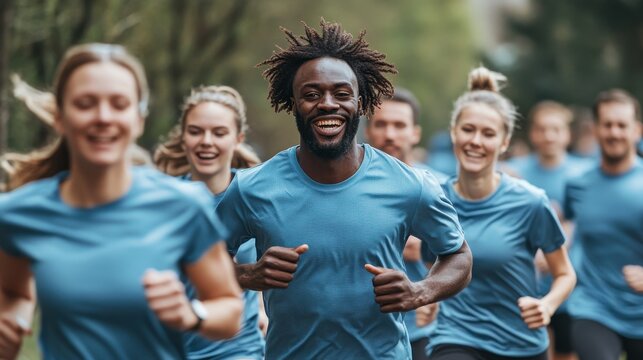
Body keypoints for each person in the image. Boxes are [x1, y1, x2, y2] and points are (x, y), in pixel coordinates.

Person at [215, 19, 472, 359]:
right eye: (311, 94)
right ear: (292, 103)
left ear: (361, 103)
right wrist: (248, 274)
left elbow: (459, 257)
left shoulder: (409, 185)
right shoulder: (252, 188)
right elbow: (202, 258)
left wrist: (419, 292)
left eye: (341, 93)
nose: (327, 104)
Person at [0, 43, 243, 359]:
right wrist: (12, 322)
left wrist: (191, 314)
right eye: (85, 104)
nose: (103, 117)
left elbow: (230, 310)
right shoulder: (21, 214)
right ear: (60, 117)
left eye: (119, 104)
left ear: (139, 119)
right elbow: (12, 292)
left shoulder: (183, 206)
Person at [428, 67, 576, 360]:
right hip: (455, 337)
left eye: (488, 133)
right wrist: (425, 297)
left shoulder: (530, 202)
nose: (476, 141)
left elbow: (565, 274)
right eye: (468, 129)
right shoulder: (433, 200)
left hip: (520, 344)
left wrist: (547, 305)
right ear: (453, 132)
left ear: (504, 142)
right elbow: (430, 267)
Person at [155, 85, 266, 359]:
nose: (206, 141)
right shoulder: (162, 201)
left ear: (237, 138)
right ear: (183, 138)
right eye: (195, 131)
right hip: (176, 348)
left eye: (219, 133)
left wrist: (263, 308)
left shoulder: (258, 196)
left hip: (240, 349)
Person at [507, 101, 592, 360]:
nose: (549, 136)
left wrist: (559, 244)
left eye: (555, 129)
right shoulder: (515, 172)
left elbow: (584, 219)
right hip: (525, 280)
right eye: (542, 129)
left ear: (567, 134)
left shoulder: (583, 174)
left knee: (566, 350)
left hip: (568, 280)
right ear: (532, 134)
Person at [365, 87, 445, 360]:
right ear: (367, 130)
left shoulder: (440, 188)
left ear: (415, 133)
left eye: (399, 125)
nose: (390, 134)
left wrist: (427, 253)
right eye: (381, 124)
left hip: (424, 330)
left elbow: (471, 260)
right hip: (360, 332)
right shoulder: (343, 186)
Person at [565, 89, 643, 360]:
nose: (614, 132)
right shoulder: (577, 186)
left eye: (622, 125)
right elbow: (567, 225)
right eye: (607, 124)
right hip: (594, 306)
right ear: (595, 130)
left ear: (637, 130)